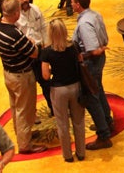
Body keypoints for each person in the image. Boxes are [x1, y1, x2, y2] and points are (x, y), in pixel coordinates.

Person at [0, 0, 47, 154]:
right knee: (25, 110)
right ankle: (25, 144)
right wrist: (31, 42)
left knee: (16, 107)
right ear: (16, 13)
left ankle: (23, 134)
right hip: (21, 76)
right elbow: (35, 52)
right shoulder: (14, 34)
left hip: (9, 73)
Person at [71, 0, 114, 150]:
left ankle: (104, 135)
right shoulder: (95, 14)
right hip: (99, 60)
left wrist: (82, 55)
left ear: (78, 5)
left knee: (91, 97)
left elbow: (94, 50)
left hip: (91, 63)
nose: (71, 5)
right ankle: (107, 121)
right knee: (99, 89)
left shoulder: (84, 24)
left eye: (72, 2)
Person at [41, 19, 85, 163]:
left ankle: (67, 155)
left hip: (59, 90)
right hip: (76, 87)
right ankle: (81, 152)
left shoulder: (47, 52)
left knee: (62, 124)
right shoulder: (74, 46)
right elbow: (80, 62)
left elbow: (45, 76)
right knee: (78, 121)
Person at [12, 0, 51, 118]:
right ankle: (32, 116)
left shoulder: (35, 9)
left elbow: (43, 27)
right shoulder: (14, 16)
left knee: (46, 82)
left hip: (40, 51)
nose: (25, 0)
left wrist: (46, 47)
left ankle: (54, 108)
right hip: (25, 55)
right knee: (28, 88)